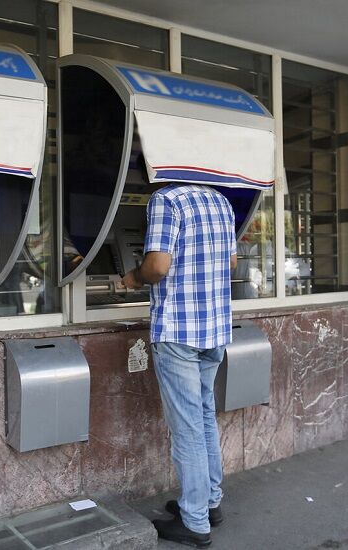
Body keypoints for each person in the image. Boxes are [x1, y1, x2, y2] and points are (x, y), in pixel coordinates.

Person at [122, 159, 236, 548]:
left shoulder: (166, 201)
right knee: (204, 415)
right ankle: (210, 502)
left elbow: (157, 266)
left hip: (179, 331)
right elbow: (232, 260)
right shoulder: (221, 201)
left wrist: (132, 278)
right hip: (214, 330)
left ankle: (195, 522)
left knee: (186, 426)